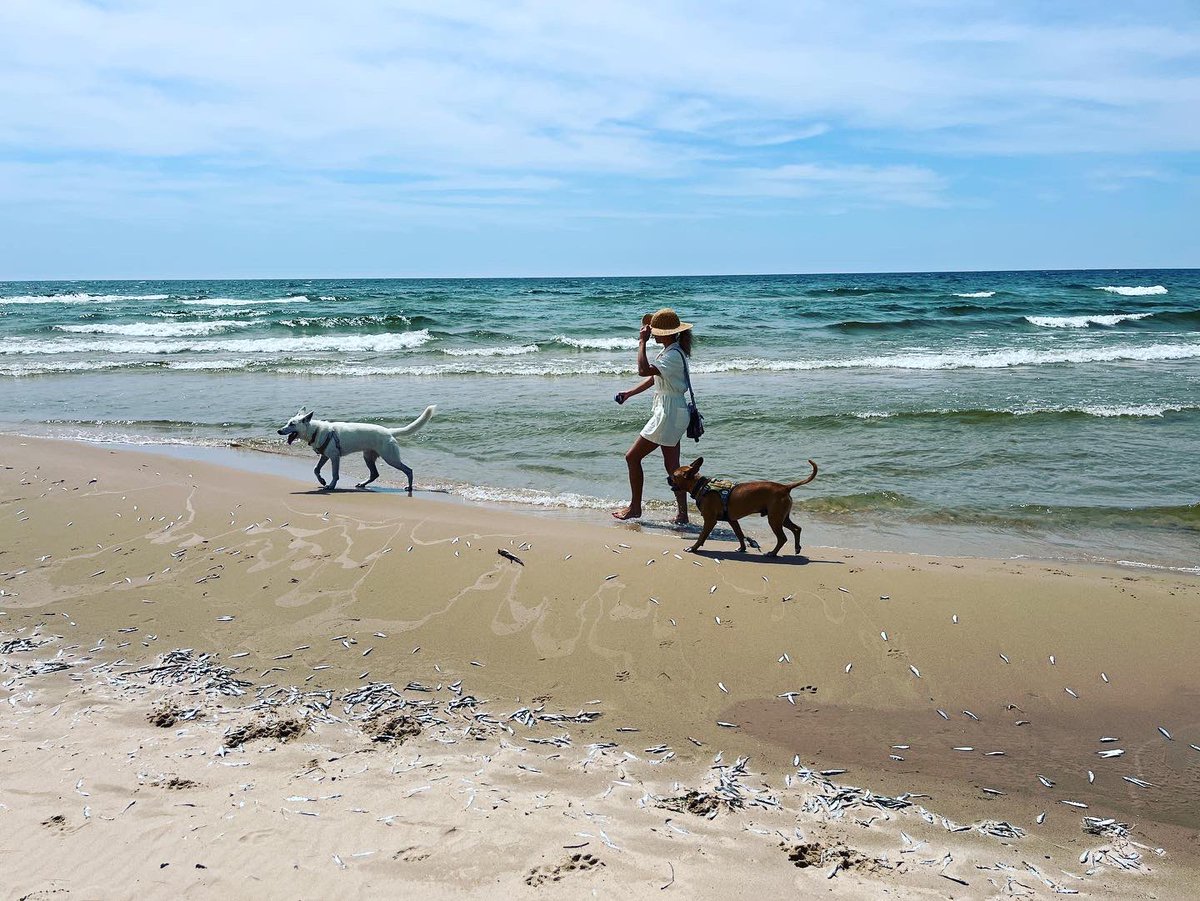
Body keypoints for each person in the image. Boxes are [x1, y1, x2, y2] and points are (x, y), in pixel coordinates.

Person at [612, 308, 694, 523]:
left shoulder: (672, 354)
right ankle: (683, 514)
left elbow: (643, 370)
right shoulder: (671, 351)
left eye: (656, 330)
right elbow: (653, 378)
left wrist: (641, 342)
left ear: (666, 333)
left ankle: (635, 508)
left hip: (668, 413)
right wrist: (630, 393)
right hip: (673, 410)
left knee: (632, 457)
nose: (652, 333)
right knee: (672, 467)